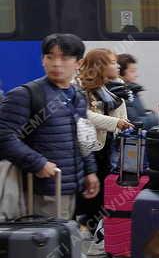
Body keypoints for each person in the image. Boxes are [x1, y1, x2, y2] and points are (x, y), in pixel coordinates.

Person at [0, 34, 99, 219]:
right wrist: (37, 163)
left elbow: (84, 136)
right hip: (37, 189)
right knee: (41, 243)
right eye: (50, 57)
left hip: (69, 186)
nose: (56, 63)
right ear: (42, 60)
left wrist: (90, 171)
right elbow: (4, 136)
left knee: (63, 238)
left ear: (79, 63)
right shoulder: (26, 94)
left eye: (64, 57)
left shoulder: (76, 94)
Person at [76, 48, 132, 252]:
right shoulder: (81, 88)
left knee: (104, 190)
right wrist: (116, 122)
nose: (117, 66)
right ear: (100, 66)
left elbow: (123, 120)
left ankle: (97, 234)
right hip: (88, 147)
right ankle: (87, 232)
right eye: (112, 62)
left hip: (108, 147)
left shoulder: (116, 87)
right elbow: (86, 117)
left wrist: (119, 107)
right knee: (90, 192)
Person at [116, 54, 159, 129]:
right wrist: (153, 118)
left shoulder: (133, 90)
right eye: (132, 71)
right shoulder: (122, 93)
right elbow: (134, 122)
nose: (136, 75)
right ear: (121, 73)